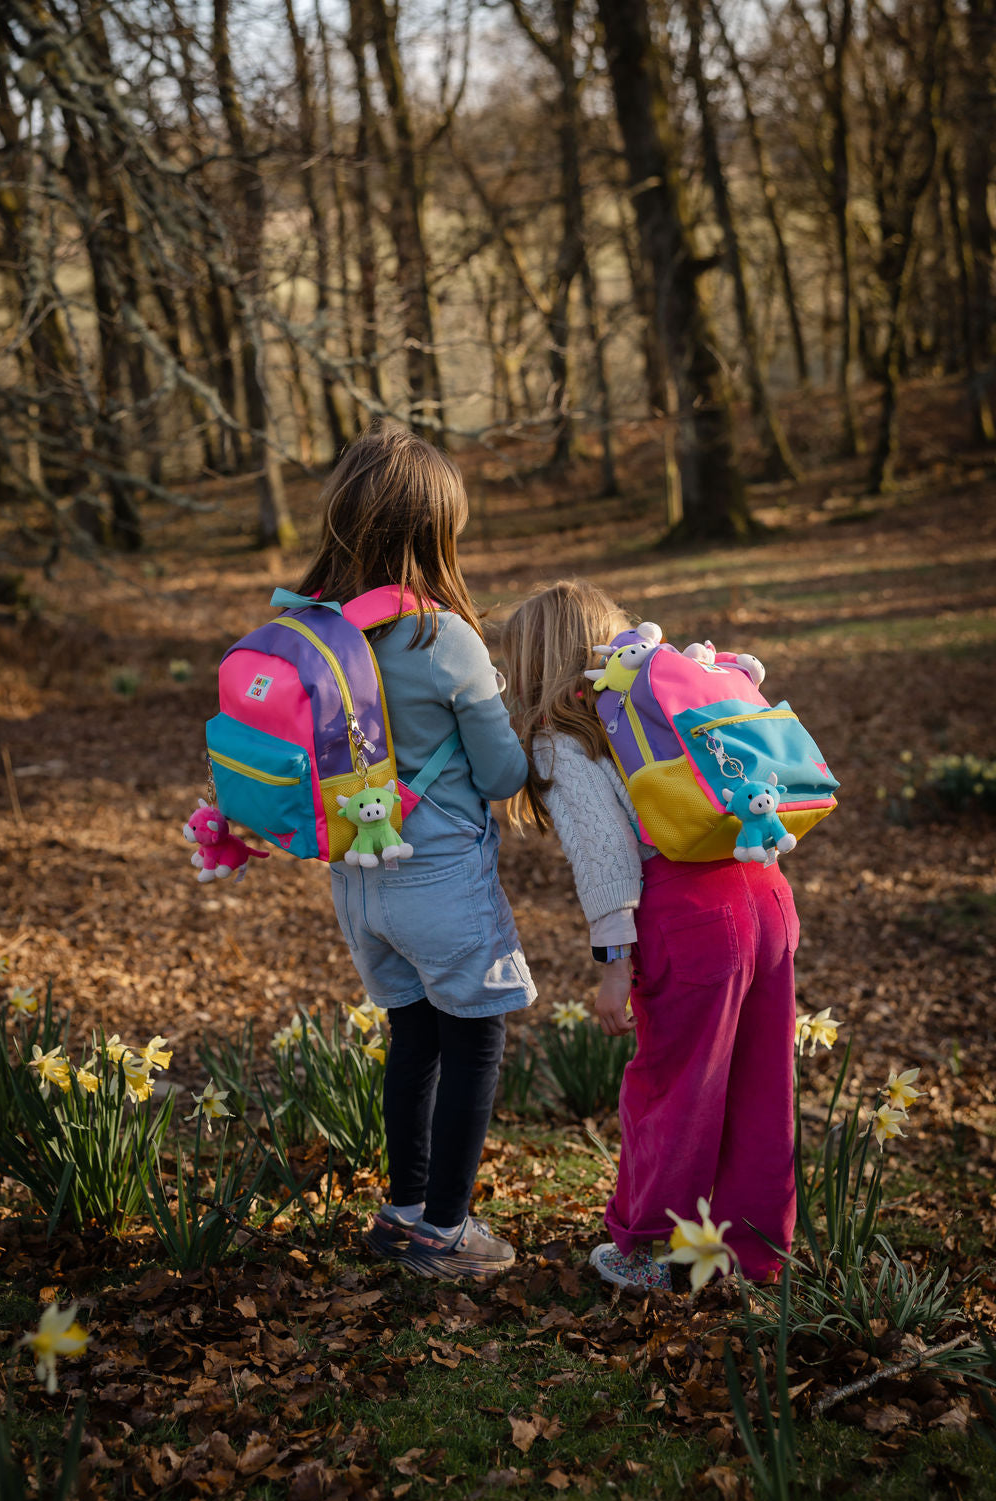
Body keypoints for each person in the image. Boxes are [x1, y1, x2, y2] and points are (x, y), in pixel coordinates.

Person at [503, 579, 797, 1291]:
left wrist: (613, 960)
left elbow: (606, 857)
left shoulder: (560, 741)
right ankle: (751, 1249)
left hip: (689, 916)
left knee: (674, 1086)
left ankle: (648, 1248)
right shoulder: (658, 707)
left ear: (533, 663)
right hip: (765, 893)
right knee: (761, 1080)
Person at [296, 425, 535, 1280]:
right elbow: (504, 769)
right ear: (434, 533)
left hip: (357, 879)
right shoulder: (443, 639)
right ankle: (444, 1231)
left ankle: (403, 1210)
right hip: (438, 877)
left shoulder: (317, 629)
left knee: (414, 1035)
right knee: (476, 1039)